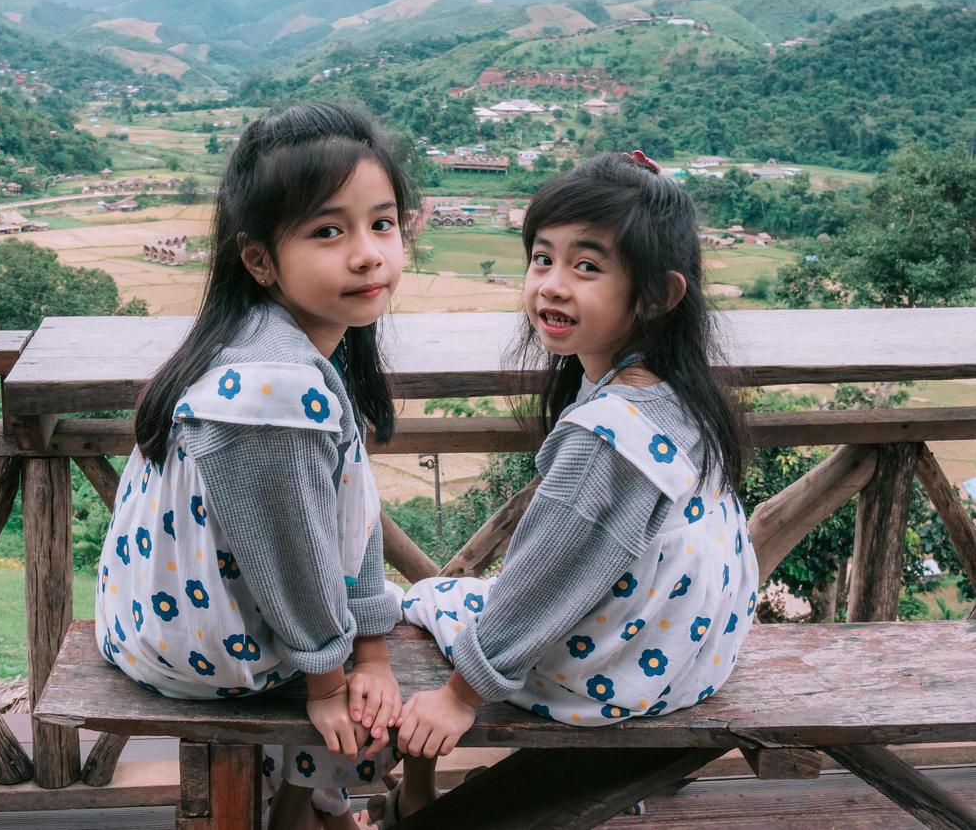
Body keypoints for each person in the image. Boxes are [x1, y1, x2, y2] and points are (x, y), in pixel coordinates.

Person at [375, 151, 758, 826]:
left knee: (425, 598)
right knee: (458, 605)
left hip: (614, 676)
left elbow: (542, 580)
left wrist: (463, 696)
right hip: (694, 657)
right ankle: (416, 789)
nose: (552, 285)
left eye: (587, 266)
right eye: (542, 259)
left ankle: (404, 787)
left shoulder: (607, 435)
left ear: (660, 295)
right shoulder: (680, 395)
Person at [94, 102, 416, 829]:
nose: (368, 253)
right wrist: (334, 682)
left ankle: (316, 808)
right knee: (404, 688)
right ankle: (323, 808)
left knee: (388, 654)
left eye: (382, 222)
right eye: (328, 231)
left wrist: (370, 645)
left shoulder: (259, 338)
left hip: (156, 621)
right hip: (206, 653)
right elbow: (298, 560)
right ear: (261, 259)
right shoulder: (277, 385)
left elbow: (345, 516)